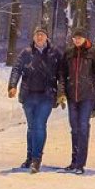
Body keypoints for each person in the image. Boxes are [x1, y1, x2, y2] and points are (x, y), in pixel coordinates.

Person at [7, 26, 61, 173]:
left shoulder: (54, 53)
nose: (39, 37)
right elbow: (16, 68)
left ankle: (37, 159)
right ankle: (30, 157)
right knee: (31, 127)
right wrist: (12, 85)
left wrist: (61, 92)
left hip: (46, 95)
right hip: (29, 95)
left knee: (39, 124)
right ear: (33, 37)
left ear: (47, 37)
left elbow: (62, 71)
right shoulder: (26, 53)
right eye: (37, 35)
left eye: (42, 35)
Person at [57, 27, 95, 175]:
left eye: (80, 37)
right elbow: (62, 74)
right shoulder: (68, 53)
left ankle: (80, 163)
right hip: (72, 95)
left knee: (83, 127)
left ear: (85, 38)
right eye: (75, 38)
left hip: (87, 96)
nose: (77, 40)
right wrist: (61, 93)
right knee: (74, 129)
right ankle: (74, 161)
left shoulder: (94, 53)